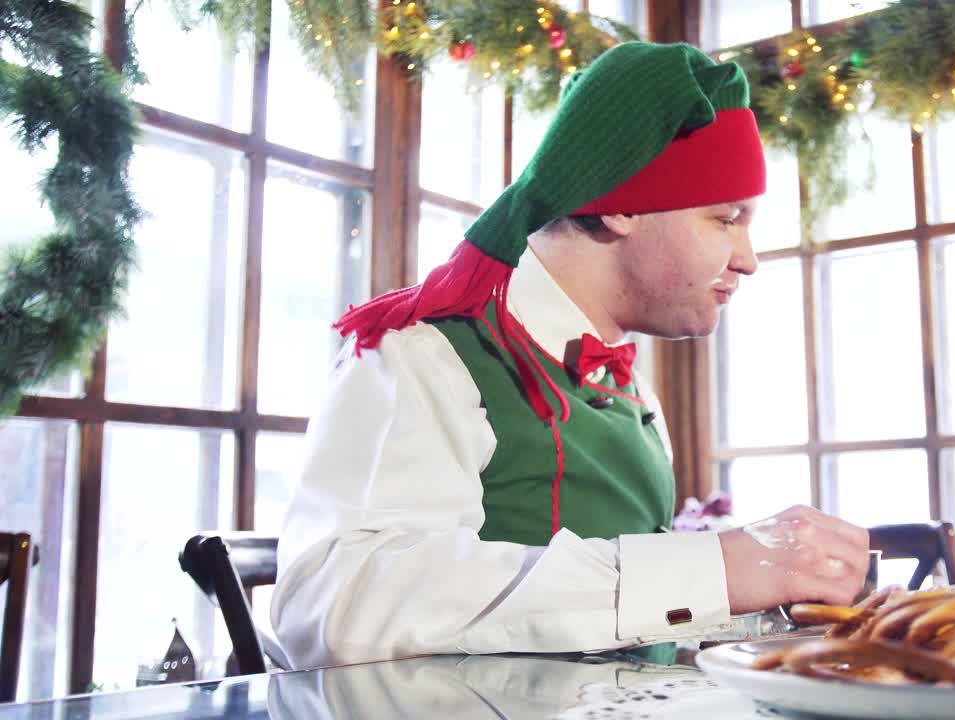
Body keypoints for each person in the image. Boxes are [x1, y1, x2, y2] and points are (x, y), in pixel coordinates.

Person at [271, 41, 870, 670]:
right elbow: (332, 609)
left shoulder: (628, 381)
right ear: (621, 205)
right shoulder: (422, 353)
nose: (748, 259)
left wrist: (768, 603)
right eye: (727, 219)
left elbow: (629, 621)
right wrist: (714, 566)